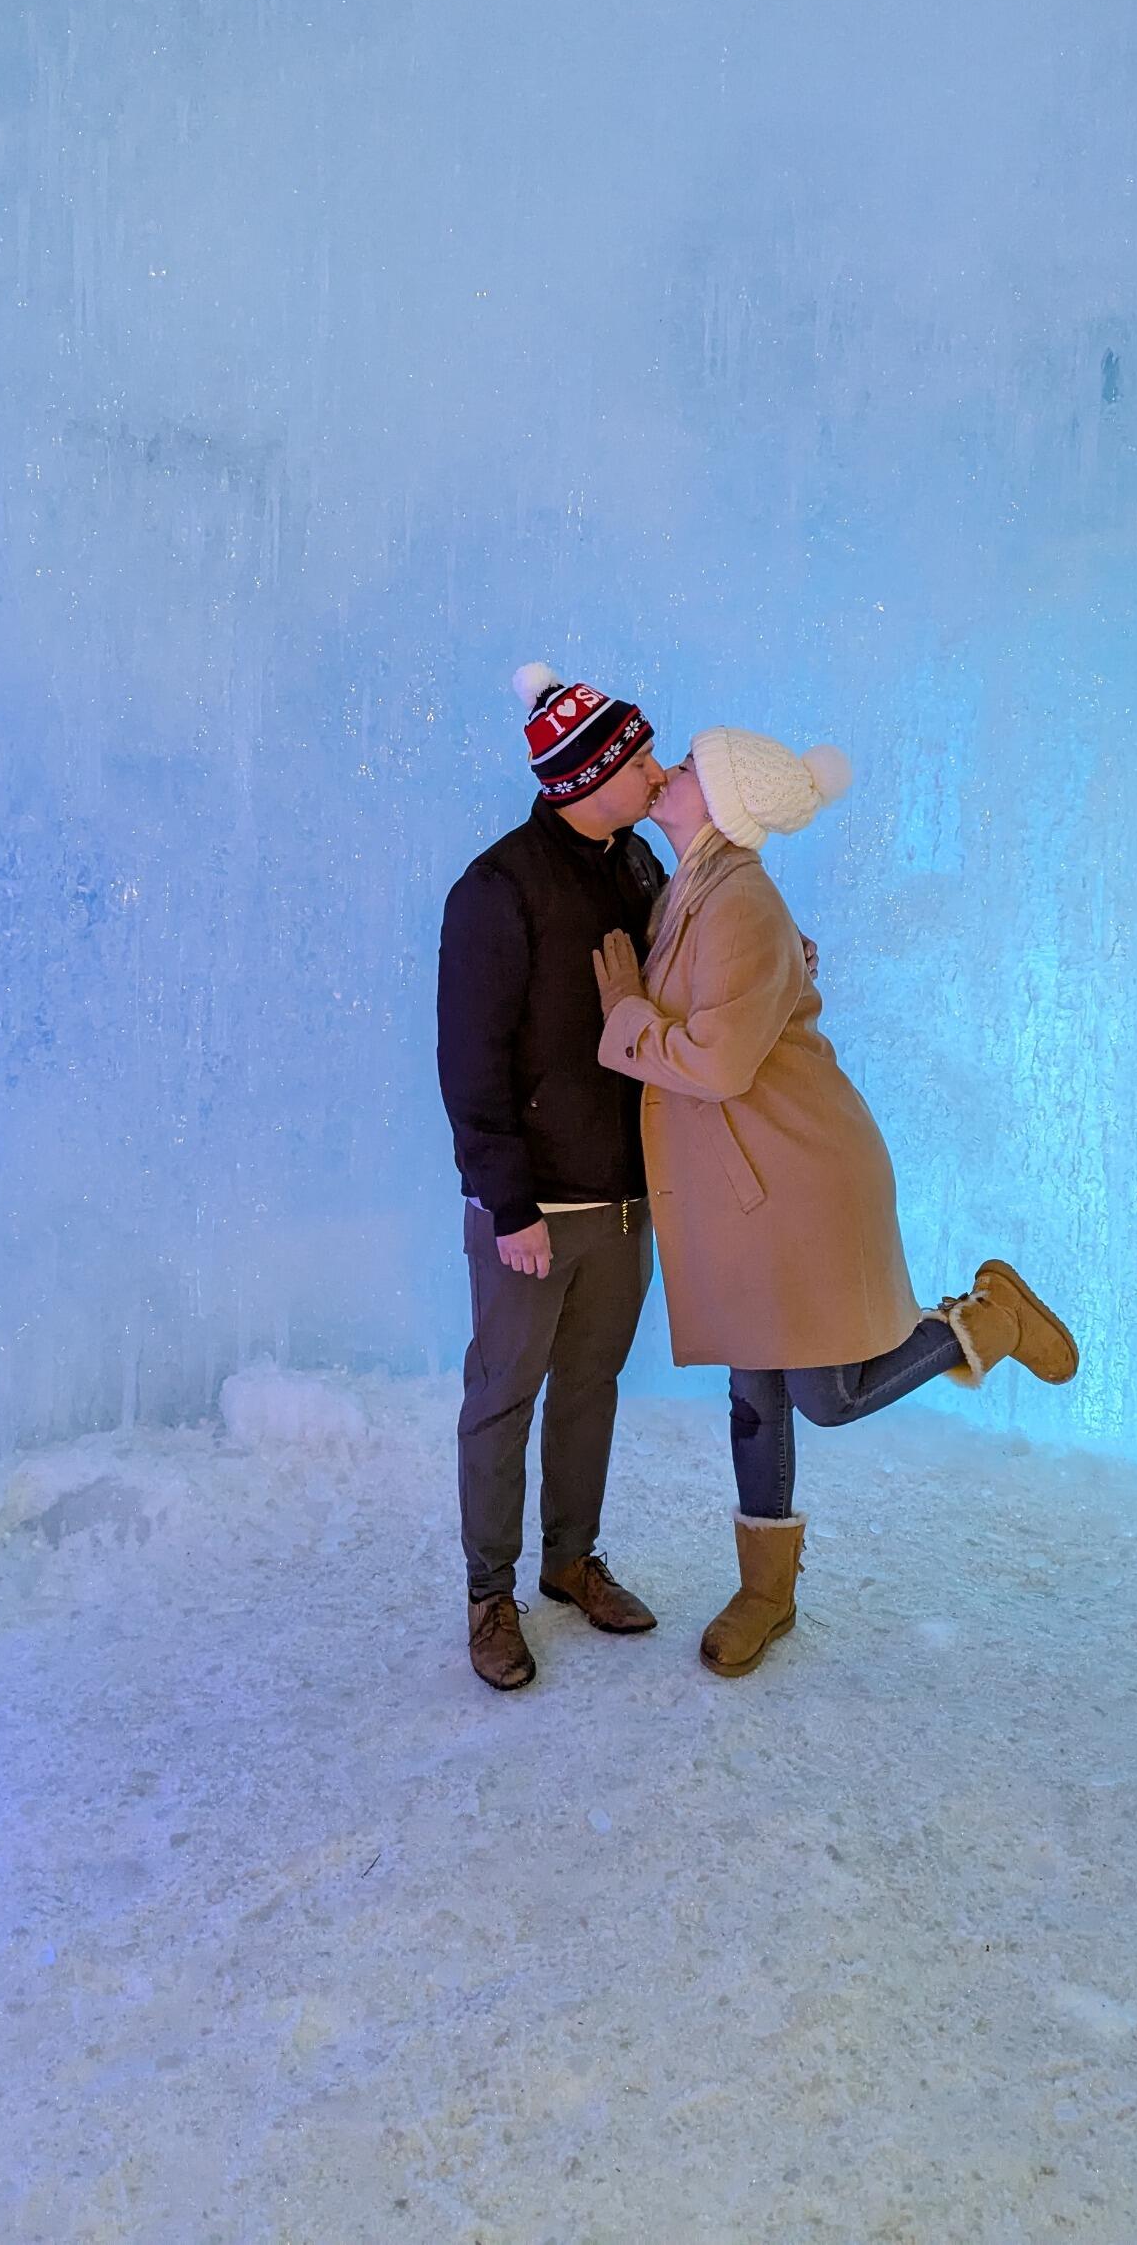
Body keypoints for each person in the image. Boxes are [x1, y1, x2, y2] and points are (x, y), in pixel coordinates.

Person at [592, 730, 1079, 1679]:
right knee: (756, 1387)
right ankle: (765, 1593)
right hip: (750, 1183)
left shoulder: (740, 901)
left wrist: (623, 1014)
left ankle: (991, 1319)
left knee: (827, 1393)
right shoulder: (690, 886)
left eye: (689, 766)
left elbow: (719, 1061)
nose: (671, 774)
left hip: (800, 1180)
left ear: (724, 801)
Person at [437, 664, 669, 1692]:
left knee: (590, 1387)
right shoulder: (494, 888)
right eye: (643, 759)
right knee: (503, 1396)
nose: (659, 774)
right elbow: (469, 1060)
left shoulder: (637, 862)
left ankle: (572, 1559)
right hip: (536, 1210)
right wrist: (508, 1204)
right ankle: (491, 1596)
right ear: (593, 773)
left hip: (626, 1200)